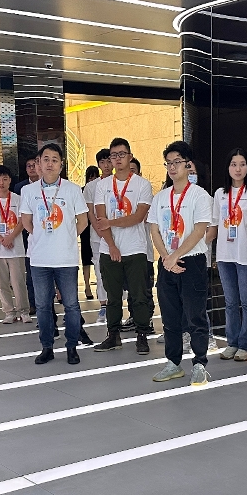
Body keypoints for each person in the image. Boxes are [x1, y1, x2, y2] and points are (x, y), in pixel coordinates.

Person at [148, 140, 212, 386]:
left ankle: (199, 364)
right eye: (168, 163)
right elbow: (154, 230)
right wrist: (167, 257)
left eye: (177, 162)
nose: (172, 167)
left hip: (192, 262)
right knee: (170, 317)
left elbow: (199, 230)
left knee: (196, 316)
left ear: (188, 165)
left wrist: (176, 256)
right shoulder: (160, 197)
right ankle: (173, 363)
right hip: (167, 263)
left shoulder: (199, 196)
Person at [21, 143, 90, 365]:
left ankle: (72, 347)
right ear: (39, 164)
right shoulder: (28, 191)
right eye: (46, 159)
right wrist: (42, 236)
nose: (50, 163)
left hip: (66, 258)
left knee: (71, 305)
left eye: (54, 160)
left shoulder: (72, 189)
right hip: (39, 258)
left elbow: (83, 221)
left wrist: (67, 236)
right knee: (42, 306)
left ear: (61, 165)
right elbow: (26, 221)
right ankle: (47, 347)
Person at [94, 137, 154, 355]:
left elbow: (138, 217)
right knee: (113, 296)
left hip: (135, 248)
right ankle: (113, 335)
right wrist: (111, 245)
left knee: (139, 296)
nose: (117, 159)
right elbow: (100, 219)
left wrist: (110, 223)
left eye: (122, 154)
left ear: (130, 156)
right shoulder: (102, 185)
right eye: (114, 155)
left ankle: (142, 335)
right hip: (108, 249)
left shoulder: (142, 184)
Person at [212, 148, 247, 362]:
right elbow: (215, 225)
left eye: (242, 164)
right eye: (234, 164)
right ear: (228, 167)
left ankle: (246, 345)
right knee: (231, 302)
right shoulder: (220, 194)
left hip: (246, 254)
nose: (238, 169)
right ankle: (232, 342)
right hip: (225, 254)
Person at [0, 164, 29, 324]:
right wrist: (2, 240)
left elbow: (22, 221)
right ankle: (9, 312)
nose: (1, 182)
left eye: (4, 179)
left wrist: (10, 238)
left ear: (9, 180)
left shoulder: (18, 199)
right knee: (2, 284)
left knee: (18, 282)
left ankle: (23, 311)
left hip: (16, 249)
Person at [86, 148, 113, 321]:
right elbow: (90, 212)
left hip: (117, 233)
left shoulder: (119, 183)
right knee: (99, 268)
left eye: (108, 161)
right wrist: (100, 231)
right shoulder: (91, 186)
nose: (106, 165)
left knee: (117, 270)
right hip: (97, 235)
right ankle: (103, 305)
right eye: (102, 162)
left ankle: (115, 304)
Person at [14, 153, 41, 315]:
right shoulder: (20, 188)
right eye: (28, 166)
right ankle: (32, 303)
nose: (32, 168)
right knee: (31, 270)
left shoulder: (48, 185)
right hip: (27, 233)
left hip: (48, 231)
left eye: (34, 165)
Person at [81, 165, 100, 300]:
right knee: (86, 258)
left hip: (98, 227)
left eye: (95, 176)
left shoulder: (101, 187)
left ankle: (99, 285)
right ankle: (87, 285)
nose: (92, 179)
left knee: (98, 260)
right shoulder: (83, 190)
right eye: (90, 177)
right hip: (86, 228)